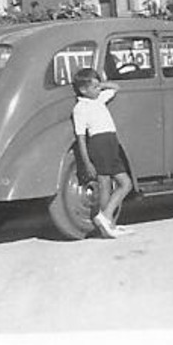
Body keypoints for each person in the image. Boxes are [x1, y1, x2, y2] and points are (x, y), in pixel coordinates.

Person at [71, 68, 132, 238]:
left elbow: (116, 87)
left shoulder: (99, 99)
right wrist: (87, 162)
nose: (99, 90)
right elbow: (81, 137)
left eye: (99, 87)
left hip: (111, 143)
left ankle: (107, 221)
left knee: (125, 183)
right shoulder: (80, 108)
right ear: (83, 90)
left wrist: (99, 84)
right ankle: (106, 223)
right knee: (105, 183)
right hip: (99, 144)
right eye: (94, 87)